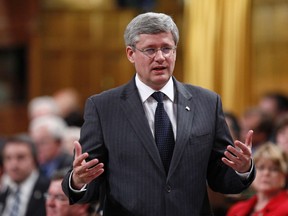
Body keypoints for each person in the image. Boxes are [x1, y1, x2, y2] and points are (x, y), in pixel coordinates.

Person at [62, 12, 255, 215]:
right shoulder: (103, 107)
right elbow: (89, 181)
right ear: (130, 54)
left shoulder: (207, 103)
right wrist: (78, 181)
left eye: (166, 48)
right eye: (150, 50)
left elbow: (221, 178)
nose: (160, 57)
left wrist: (242, 169)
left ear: (175, 51)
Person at [227, 142, 288, 215]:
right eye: (261, 168)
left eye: (274, 169)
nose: (266, 173)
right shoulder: (236, 209)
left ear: (284, 175)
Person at [0, 134, 50, 216]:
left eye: (21, 157)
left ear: (34, 159)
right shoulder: (4, 190)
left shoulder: (48, 189)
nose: (13, 165)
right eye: (8, 158)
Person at [29, 115, 73, 179]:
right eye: (34, 144)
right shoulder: (33, 166)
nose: (37, 148)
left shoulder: (71, 166)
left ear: (58, 143)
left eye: (42, 143)